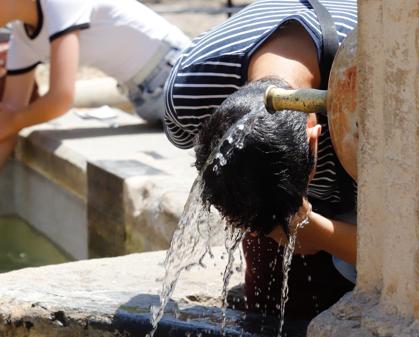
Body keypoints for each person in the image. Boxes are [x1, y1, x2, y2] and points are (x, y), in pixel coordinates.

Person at [164, 0, 358, 319]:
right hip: (298, 182)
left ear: (315, 135)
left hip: (373, 187)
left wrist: (317, 232)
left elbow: (409, 255)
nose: (251, 233)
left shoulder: (374, 83)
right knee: (271, 306)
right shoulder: (191, 94)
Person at [0, 0, 190, 169]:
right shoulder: (22, 38)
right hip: (145, 101)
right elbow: (7, 117)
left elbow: (61, 98)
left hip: (179, 74)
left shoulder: (59, 4)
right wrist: (11, 122)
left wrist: (14, 121)